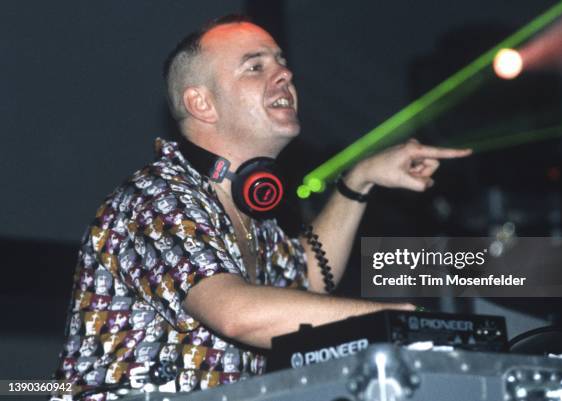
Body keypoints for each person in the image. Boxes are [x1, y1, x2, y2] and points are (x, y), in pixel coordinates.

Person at [52, 14, 471, 400]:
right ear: (202, 103)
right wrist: (396, 320)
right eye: (255, 67)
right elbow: (236, 312)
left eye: (281, 62)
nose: (285, 73)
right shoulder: (156, 197)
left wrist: (358, 180)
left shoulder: (250, 214)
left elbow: (307, 280)